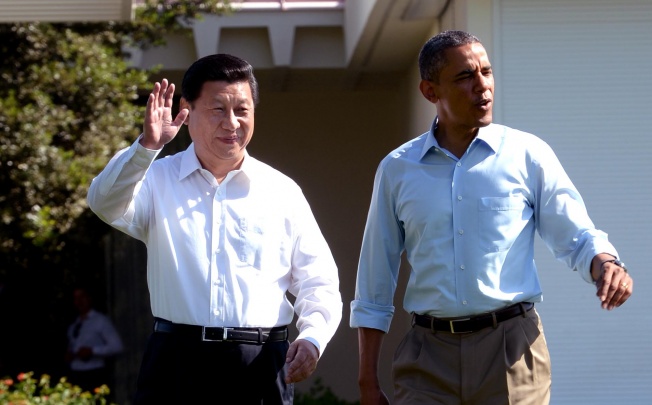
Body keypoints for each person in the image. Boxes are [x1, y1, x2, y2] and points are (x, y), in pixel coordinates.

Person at [349, 30, 634, 405]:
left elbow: (576, 235)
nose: (482, 86)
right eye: (465, 76)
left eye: (486, 71)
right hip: (426, 357)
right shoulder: (397, 170)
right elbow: (375, 279)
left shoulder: (527, 154)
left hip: (513, 351)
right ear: (430, 91)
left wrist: (606, 263)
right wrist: (367, 379)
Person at [87, 53, 342, 404]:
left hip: (260, 363)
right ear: (186, 111)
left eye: (242, 110)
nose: (232, 123)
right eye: (218, 109)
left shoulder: (282, 191)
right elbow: (103, 202)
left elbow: (319, 281)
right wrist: (147, 148)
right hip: (176, 362)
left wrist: (313, 338)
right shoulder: (155, 178)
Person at [64, 286, 123, 393]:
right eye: (76, 298)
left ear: (89, 298)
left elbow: (117, 346)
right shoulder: (74, 324)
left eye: (82, 297)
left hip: (94, 373)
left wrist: (92, 351)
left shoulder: (100, 320)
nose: (79, 301)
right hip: (75, 372)